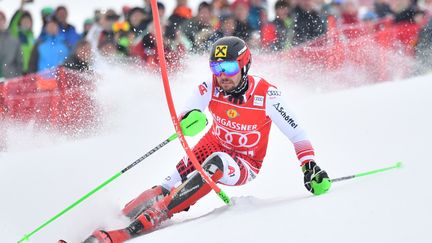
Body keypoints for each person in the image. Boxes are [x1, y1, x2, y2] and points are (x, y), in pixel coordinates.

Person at [82, 36, 332, 242]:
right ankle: (113, 223)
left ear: (244, 66)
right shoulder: (209, 86)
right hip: (211, 146)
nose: (222, 75)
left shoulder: (267, 95)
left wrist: (309, 167)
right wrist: (190, 119)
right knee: (164, 187)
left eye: (229, 68)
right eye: (216, 68)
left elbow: (297, 133)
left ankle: (153, 218)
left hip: (244, 163)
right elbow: (186, 113)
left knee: (218, 162)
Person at [0, 10, 23, 79]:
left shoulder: (14, 41)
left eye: (1, 19)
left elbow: (19, 63)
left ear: (4, 21)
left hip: (10, 80)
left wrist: (17, 78)